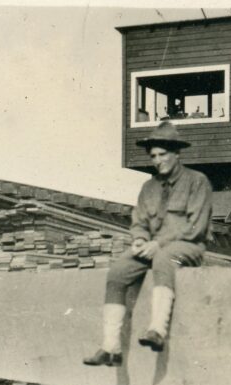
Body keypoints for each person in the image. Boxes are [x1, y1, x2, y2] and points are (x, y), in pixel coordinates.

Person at [84, 121, 213, 366]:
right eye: (153, 155)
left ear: (176, 154)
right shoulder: (148, 187)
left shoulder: (198, 181)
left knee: (164, 259)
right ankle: (110, 348)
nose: (157, 160)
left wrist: (159, 243)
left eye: (162, 154)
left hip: (188, 247)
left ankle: (157, 331)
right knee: (117, 271)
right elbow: (139, 222)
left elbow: (195, 227)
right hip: (154, 247)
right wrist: (140, 239)